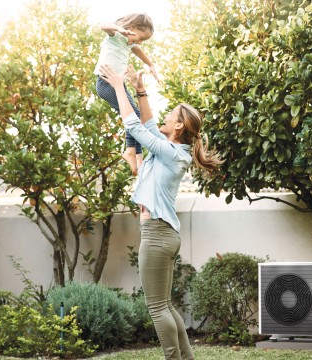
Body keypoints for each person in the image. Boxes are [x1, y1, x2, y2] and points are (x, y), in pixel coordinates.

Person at [99, 62, 222, 360]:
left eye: (172, 115)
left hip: (156, 234)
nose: (166, 116)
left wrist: (118, 87)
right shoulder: (172, 150)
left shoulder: (169, 153)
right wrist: (139, 89)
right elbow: (150, 125)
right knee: (164, 305)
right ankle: (186, 358)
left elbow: (135, 127)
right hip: (163, 233)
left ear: (179, 126)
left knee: (157, 307)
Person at [94, 13, 159, 175]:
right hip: (105, 83)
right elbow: (103, 25)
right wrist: (119, 29)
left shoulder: (130, 43)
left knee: (135, 116)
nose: (140, 42)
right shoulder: (115, 35)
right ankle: (130, 150)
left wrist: (150, 64)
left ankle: (137, 156)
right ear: (132, 28)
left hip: (117, 84)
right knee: (134, 114)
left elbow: (137, 50)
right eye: (141, 38)